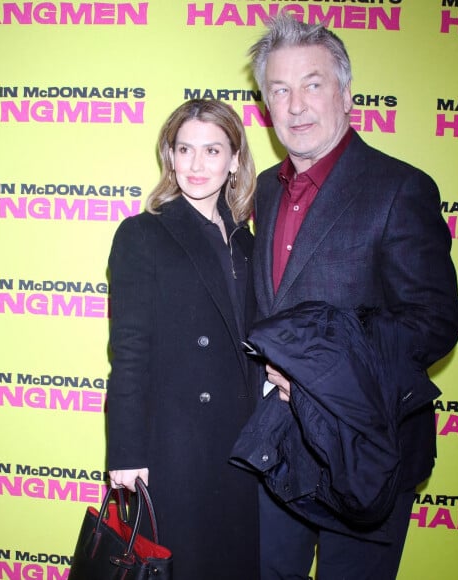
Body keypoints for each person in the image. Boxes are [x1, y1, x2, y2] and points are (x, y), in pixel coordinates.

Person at [247, 16, 458, 580]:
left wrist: (323, 371)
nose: (296, 106)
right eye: (279, 90)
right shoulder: (265, 190)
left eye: (312, 84)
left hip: (369, 448)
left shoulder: (400, 187)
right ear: (266, 105)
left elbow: (434, 323)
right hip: (279, 445)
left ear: (346, 93)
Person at [106, 99, 259, 580]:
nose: (197, 164)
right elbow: (129, 351)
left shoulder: (248, 242)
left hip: (243, 444)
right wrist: (127, 454)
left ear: (234, 160)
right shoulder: (143, 235)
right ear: (169, 156)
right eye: (185, 149)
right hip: (176, 445)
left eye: (212, 150)